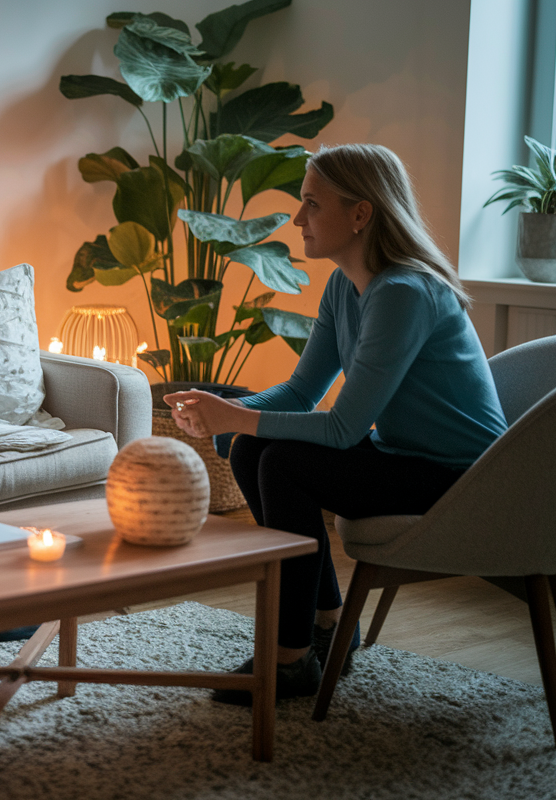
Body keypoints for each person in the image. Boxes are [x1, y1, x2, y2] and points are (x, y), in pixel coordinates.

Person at [165, 144, 508, 704]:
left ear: (360, 214)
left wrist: (239, 416)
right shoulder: (344, 287)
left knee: (281, 461)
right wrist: (225, 411)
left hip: (462, 479)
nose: (298, 218)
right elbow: (302, 392)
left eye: (310, 204)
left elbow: (346, 428)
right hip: (405, 457)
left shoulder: (403, 293)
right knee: (256, 451)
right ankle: (326, 628)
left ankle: (292, 655)